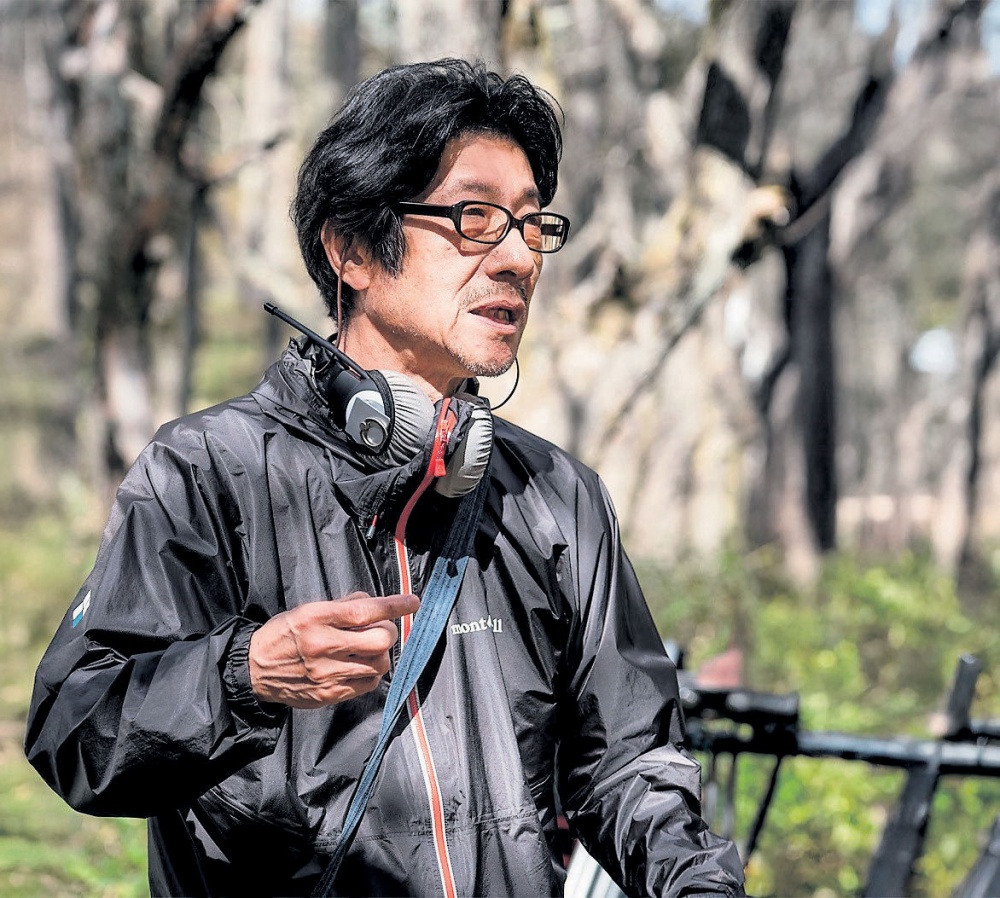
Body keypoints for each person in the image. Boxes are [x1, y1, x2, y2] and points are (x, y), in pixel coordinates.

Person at [25, 59, 745, 897]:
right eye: (476, 217)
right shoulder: (208, 470)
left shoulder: (558, 496)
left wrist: (697, 884)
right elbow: (76, 729)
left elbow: (629, 763)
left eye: (531, 223)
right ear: (354, 249)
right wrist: (242, 676)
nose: (518, 257)